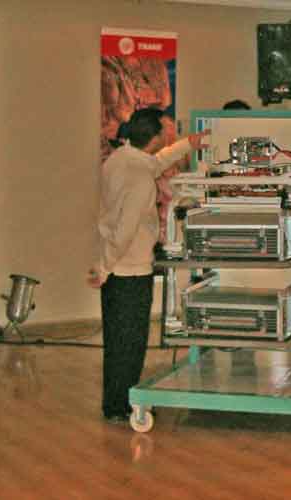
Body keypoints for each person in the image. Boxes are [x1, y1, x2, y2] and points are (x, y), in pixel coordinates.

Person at [88, 107, 208, 422]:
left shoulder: (118, 160)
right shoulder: (140, 178)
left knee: (116, 342)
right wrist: (104, 267)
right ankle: (122, 406)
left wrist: (188, 144)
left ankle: (114, 403)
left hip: (117, 269)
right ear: (154, 138)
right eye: (164, 133)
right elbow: (126, 229)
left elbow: (155, 163)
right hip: (130, 270)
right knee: (130, 343)